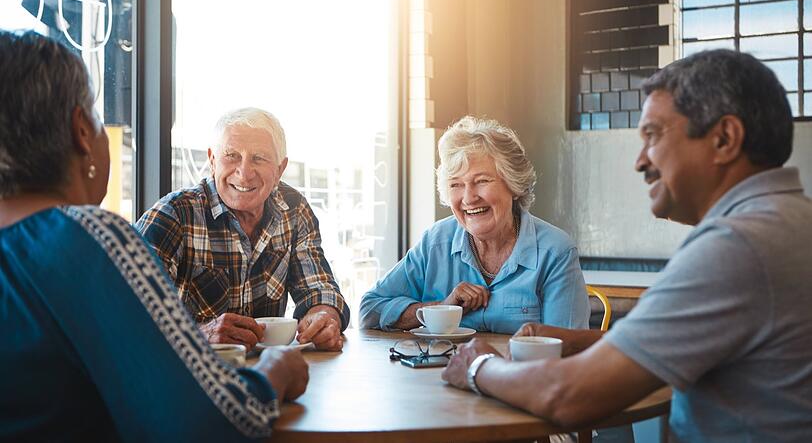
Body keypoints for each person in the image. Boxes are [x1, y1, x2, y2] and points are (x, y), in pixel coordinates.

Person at [441, 50, 812, 441]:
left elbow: (568, 396)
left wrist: (477, 365)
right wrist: (581, 341)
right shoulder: (788, 222)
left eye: (652, 135)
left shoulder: (735, 246)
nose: (639, 161)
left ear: (724, 138)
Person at [0, 31, 308, 441]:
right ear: (80, 131)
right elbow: (208, 422)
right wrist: (274, 373)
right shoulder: (90, 240)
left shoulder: (293, 208)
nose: (243, 172)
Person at [136, 107, 349, 351]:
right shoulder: (173, 214)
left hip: (271, 375)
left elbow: (319, 289)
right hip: (186, 377)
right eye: (231, 155)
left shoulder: (294, 209)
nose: (244, 173)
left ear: (280, 169)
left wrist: (325, 316)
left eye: (259, 158)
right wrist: (198, 335)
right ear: (212, 160)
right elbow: (124, 313)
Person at [359, 116, 589, 334]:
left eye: (482, 181)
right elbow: (370, 310)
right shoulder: (436, 243)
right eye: (456, 184)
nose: (468, 198)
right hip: (438, 374)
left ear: (513, 184)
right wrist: (441, 308)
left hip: (520, 374)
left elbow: (566, 350)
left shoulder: (554, 251)